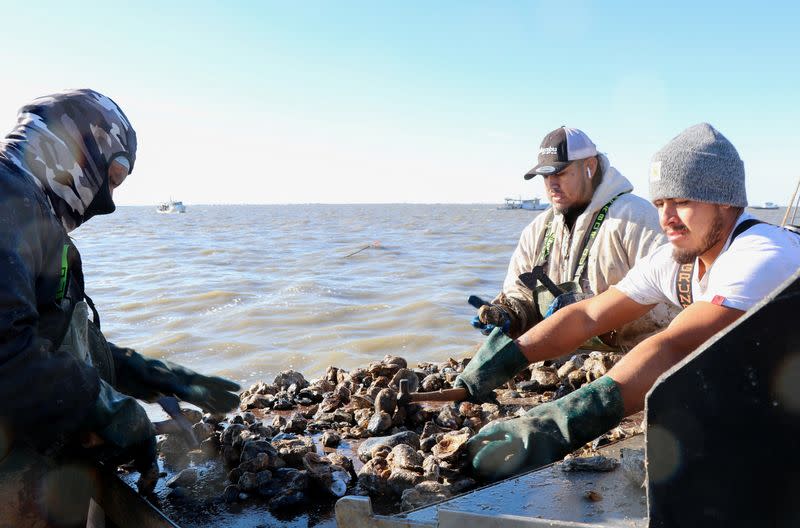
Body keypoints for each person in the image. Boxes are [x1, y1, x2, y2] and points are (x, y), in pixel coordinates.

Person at [459, 123, 800, 481]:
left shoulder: (762, 255)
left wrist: (557, 424)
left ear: (727, 199)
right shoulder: (677, 260)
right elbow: (590, 315)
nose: (667, 218)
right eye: (660, 203)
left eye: (682, 202)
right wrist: (507, 356)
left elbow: (674, 348)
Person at [0, 90, 240, 524]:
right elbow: (6, 355)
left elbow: (64, 345)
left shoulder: (33, 217)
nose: (106, 203)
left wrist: (155, 376)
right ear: (73, 147)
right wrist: (108, 409)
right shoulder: (4, 198)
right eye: (111, 176)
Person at [470, 126, 673, 350]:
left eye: (560, 172)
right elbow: (520, 292)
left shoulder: (636, 218)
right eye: (545, 176)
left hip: (633, 356)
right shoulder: (537, 230)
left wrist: (589, 313)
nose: (552, 184)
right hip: (561, 359)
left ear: (590, 166)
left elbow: (671, 301)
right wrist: (508, 315)